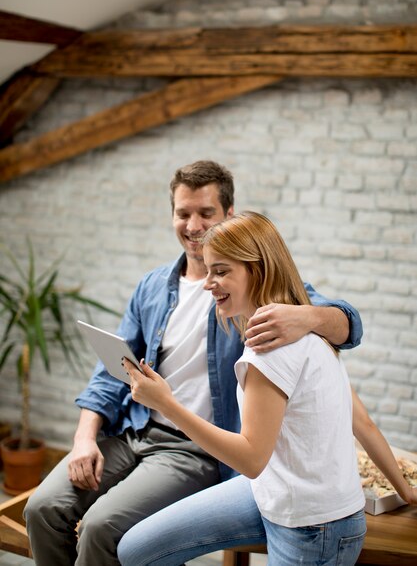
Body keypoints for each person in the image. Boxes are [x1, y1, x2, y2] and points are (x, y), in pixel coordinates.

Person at [24, 161, 363, 566]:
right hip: (135, 431)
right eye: (183, 213)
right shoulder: (152, 286)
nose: (193, 225)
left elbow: (347, 323)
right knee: (42, 508)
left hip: (195, 449)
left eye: (206, 213)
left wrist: (308, 316)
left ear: (229, 216)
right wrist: (84, 439)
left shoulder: (252, 288)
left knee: (102, 529)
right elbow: (110, 374)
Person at [118, 211, 417, 566]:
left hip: (314, 527)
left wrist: (167, 405)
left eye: (222, 271)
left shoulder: (271, 350)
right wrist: (406, 491)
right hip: (268, 494)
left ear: (257, 270)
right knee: (134, 549)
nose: (208, 283)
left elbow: (251, 459)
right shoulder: (304, 328)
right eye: (209, 269)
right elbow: (363, 422)